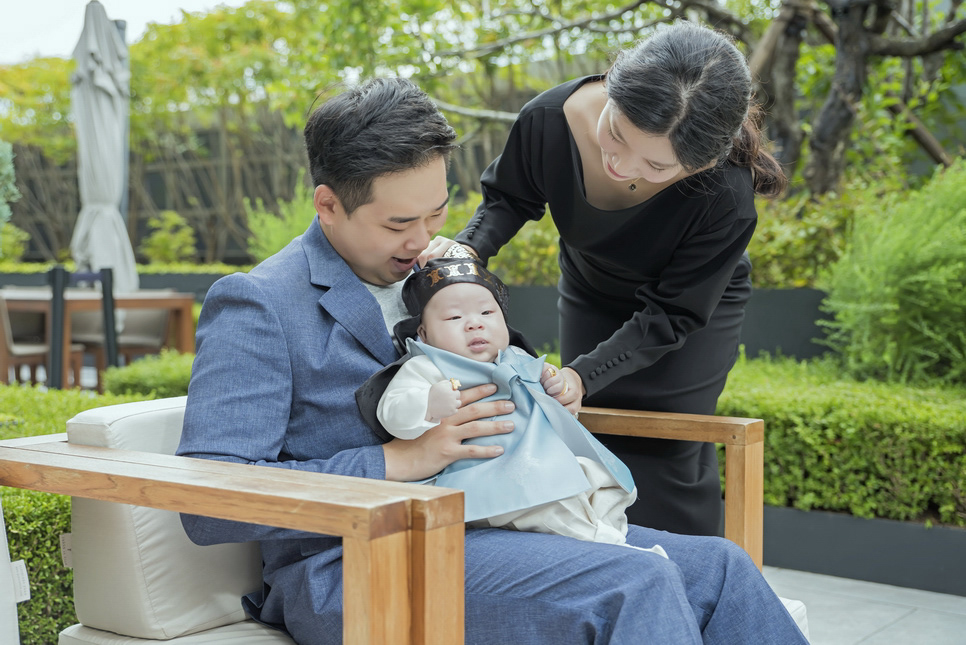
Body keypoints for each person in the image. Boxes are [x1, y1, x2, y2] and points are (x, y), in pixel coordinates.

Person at [176, 76, 808, 643]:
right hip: (357, 561)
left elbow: (514, 374)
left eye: (436, 213)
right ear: (328, 205)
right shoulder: (260, 302)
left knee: (721, 568)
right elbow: (208, 500)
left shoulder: (442, 277)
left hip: (506, 522)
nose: (422, 241)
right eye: (398, 224)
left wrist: (548, 393)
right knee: (634, 583)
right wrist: (400, 461)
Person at [432, 21, 788, 537]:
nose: (621, 165)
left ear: (703, 163)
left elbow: (673, 312)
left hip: (687, 309)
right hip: (591, 285)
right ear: (613, 86)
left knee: (668, 449)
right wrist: (466, 252)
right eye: (616, 134)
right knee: (583, 426)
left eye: (656, 164)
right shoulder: (550, 118)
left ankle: (688, 572)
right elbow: (509, 198)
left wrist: (584, 373)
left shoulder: (725, 195)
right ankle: (602, 564)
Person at [361, 257, 649, 550]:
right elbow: (391, 411)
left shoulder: (516, 356)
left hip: (541, 455)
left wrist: (555, 385)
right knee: (549, 502)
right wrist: (428, 404)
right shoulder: (427, 367)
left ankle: (609, 529)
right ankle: (603, 544)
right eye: (454, 318)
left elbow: (552, 398)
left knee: (601, 477)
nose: (474, 324)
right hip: (483, 472)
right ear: (423, 334)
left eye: (487, 312)